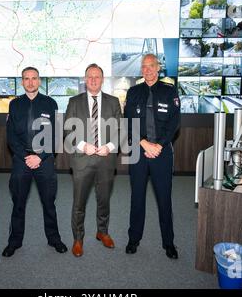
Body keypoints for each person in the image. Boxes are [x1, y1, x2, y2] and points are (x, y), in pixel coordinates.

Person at [2, 66, 67, 257]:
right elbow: (11, 137)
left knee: (49, 203)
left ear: (39, 81)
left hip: (44, 160)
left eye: (34, 78)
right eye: (26, 79)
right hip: (22, 161)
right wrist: (26, 157)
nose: (30, 82)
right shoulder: (14, 104)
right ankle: (14, 242)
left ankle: (54, 239)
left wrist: (39, 156)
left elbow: (56, 135)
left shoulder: (50, 103)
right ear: (22, 82)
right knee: (18, 203)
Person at [123, 54, 180, 259]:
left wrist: (159, 145)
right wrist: (144, 143)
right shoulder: (133, 92)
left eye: (151, 66)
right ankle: (133, 239)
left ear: (158, 68)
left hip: (161, 152)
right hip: (138, 151)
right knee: (137, 197)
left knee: (164, 199)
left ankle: (169, 243)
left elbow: (174, 123)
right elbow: (128, 122)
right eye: (144, 66)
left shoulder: (169, 91)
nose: (147, 70)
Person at [64, 63, 122, 257]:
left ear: (102, 79)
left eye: (97, 76)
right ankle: (78, 238)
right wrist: (82, 145)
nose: (94, 80)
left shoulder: (114, 102)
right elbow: (67, 131)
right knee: (79, 203)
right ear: (85, 79)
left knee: (104, 200)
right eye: (90, 76)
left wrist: (110, 147)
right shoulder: (74, 102)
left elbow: (120, 130)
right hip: (82, 160)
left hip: (106, 161)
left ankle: (102, 232)